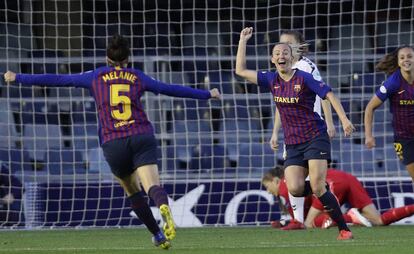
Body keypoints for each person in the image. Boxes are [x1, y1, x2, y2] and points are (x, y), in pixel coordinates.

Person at [4, 34, 221, 249]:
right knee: (153, 185)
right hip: (140, 136)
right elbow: (170, 89)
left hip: (113, 141)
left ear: (107, 60)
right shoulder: (137, 76)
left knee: (132, 191)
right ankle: (163, 206)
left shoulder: (96, 76)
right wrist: (206, 94)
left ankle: (157, 234)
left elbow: (58, 80)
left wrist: (18, 77)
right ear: (127, 60)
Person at [236, 27, 355, 240]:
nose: (282, 56)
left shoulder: (304, 77)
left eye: (285, 53)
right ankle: (324, 193)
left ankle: (344, 228)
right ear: (272, 60)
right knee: (295, 187)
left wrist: (343, 120)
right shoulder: (272, 80)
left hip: (315, 137)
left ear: (292, 58)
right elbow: (241, 71)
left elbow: (328, 94)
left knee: (317, 187)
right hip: (292, 143)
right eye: (277, 53)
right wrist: (243, 41)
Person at [269, 30, 336, 225]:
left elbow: (324, 92)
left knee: (309, 182)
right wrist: (275, 132)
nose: (284, 47)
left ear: (299, 46)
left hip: (310, 129)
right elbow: (280, 102)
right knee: (295, 182)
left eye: (289, 43)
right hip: (292, 131)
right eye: (281, 43)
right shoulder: (285, 70)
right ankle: (296, 219)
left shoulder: (304, 66)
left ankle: (311, 212)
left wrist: (330, 123)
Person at [262, 166, 414, 229]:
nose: (268, 191)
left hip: (329, 184)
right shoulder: (294, 180)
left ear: (275, 180)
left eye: (267, 186)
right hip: (347, 178)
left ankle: (349, 217)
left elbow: (298, 221)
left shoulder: (285, 185)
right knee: (379, 221)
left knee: (309, 223)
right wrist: (281, 222)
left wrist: (284, 224)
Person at [364, 45, 414, 181]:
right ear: (398, 62)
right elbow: (369, 107)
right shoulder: (393, 83)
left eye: (410, 56)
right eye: (402, 57)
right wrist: (369, 136)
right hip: (404, 139)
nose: (406, 60)